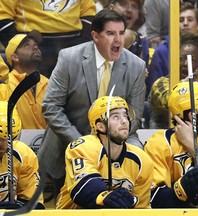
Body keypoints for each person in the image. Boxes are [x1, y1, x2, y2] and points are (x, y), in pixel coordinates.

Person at [37, 9, 146, 200]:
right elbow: (51, 106)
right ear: (95, 36)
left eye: (121, 33)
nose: (118, 40)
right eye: (111, 34)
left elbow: (135, 115)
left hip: (114, 139)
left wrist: (110, 142)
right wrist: (83, 144)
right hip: (71, 135)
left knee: (140, 154)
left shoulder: (136, 65)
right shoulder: (69, 58)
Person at [56, 96, 153, 209]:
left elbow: (140, 208)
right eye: (115, 117)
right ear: (100, 126)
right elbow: (83, 187)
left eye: (125, 116)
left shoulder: (142, 159)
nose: (124, 121)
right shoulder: (83, 147)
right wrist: (106, 196)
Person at [0, 0, 96, 78]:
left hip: (74, 42)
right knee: (30, 92)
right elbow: (3, 17)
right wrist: (18, 46)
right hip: (34, 43)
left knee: (75, 93)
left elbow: (88, 13)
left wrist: (84, 44)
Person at [146, 2, 198, 98]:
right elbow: (154, 92)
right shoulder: (161, 52)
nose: (185, 23)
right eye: (181, 20)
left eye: (190, 20)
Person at [0, 101, 44, 209]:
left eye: (7, 138)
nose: (2, 145)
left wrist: (18, 207)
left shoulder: (23, 155)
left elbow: (36, 206)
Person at [0, 31, 48, 129]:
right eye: (27, 45)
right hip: (15, 142)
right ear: (15, 57)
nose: (35, 47)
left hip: (49, 143)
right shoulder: (6, 84)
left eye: (36, 45)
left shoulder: (50, 83)